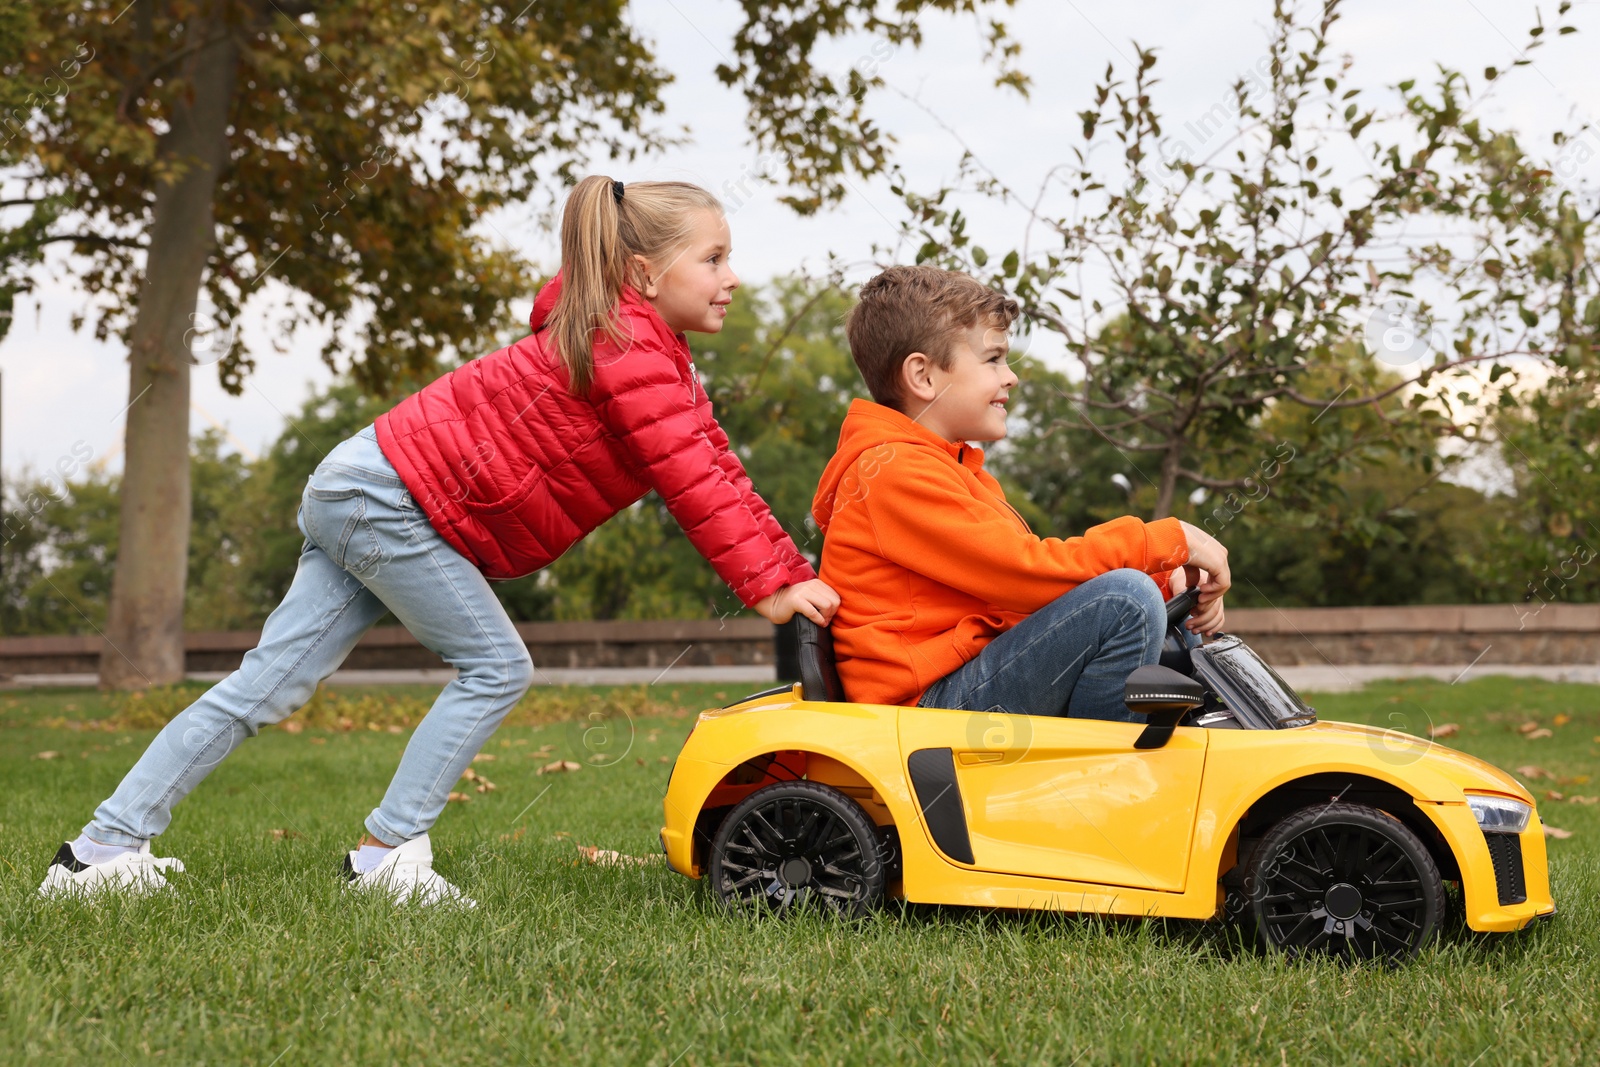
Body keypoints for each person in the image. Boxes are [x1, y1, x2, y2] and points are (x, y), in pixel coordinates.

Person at [39, 176, 839, 906]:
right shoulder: (626, 346)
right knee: (496, 665)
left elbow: (715, 465)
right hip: (388, 500)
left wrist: (786, 569)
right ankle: (387, 854)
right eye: (715, 257)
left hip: (365, 486)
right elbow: (693, 477)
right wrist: (769, 584)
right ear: (642, 275)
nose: (733, 276)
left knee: (268, 683)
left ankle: (101, 851)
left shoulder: (644, 350)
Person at [810, 265, 1229, 718]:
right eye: (993, 359)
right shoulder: (892, 472)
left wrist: (1168, 579)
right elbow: (1028, 575)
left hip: (956, 685)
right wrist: (1165, 541)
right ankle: (1101, 776)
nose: (1010, 377)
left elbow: (1029, 588)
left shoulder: (946, 466)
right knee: (1125, 599)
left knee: (1141, 594)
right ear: (923, 376)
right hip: (926, 708)